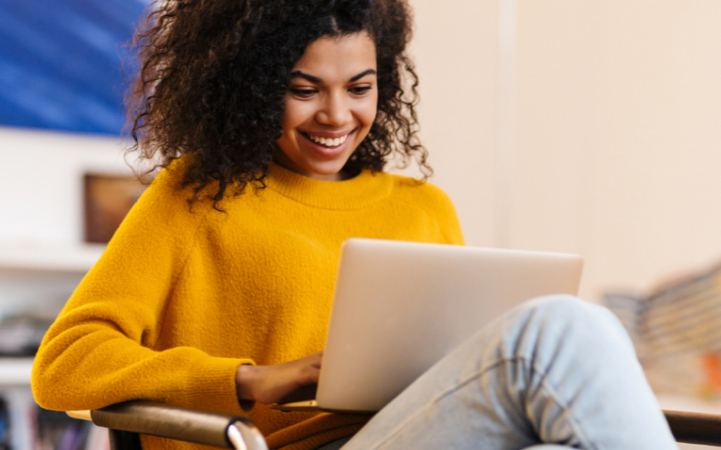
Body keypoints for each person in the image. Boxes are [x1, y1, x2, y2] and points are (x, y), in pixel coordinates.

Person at [31, 1, 679, 449]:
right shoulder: (195, 197)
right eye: (305, 88)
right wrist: (248, 378)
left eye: (359, 87)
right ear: (252, 86)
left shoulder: (424, 207)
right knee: (564, 327)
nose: (336, 115)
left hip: (421, 429)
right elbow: (63, 364)